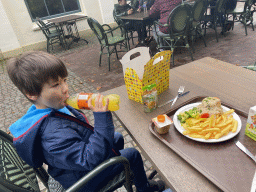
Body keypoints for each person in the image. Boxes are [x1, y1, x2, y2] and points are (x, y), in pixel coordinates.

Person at [7, 51, 165, 192]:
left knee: (117, 137)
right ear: (32, 94)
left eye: (65, 80)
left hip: (72, 165)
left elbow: (76, 131)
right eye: (56, 85)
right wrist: (101, 118)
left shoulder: (49, 108)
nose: (65, 88)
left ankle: (125, 175)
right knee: (132, 155)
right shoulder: (52, 134)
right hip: (81, 181)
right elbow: (89, 159)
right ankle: (145, 188)